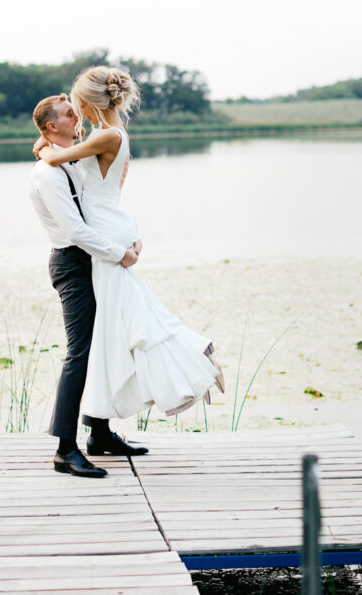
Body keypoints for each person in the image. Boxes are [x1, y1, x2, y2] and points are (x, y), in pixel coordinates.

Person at [33, 65, 224, 428]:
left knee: (124, 328)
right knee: (121, 329)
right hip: (107, 234)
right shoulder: (107, 134)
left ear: (91, 102)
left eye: (78, 106)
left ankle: (191, 361)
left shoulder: (106, 135)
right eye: (71, 111)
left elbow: (57, 158)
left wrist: (42, 146)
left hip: (106, 237)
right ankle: (99, 429)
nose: (77, 113)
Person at [29, 93, 149, 479]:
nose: (77, 115)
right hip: (73, 265)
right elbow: (75, 230)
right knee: (78, 353)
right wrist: (120, 253)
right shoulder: (48, 173)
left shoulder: (71, 160)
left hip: (95, 260)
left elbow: (100, 206)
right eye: (68, 114)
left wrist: (128, 237)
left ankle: (99, 432)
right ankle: (65, 449)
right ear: (52, 126)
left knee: (105, 345)